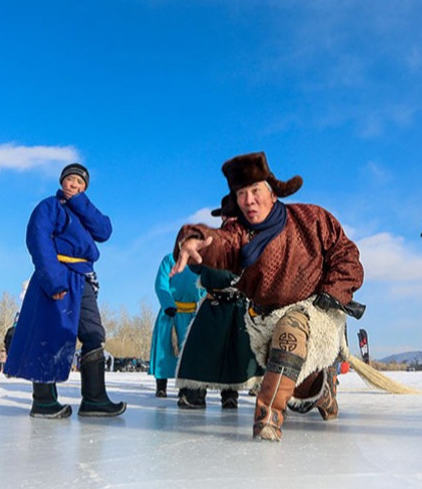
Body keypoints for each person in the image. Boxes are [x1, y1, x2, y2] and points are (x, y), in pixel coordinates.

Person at [172, 151, 364, 441]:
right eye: (241, 194)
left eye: (255, 191)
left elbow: (345, 253)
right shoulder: (240, 234)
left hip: (319, 308)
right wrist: (196, 239)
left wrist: (334, 292)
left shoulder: (312, 218)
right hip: (265, 319)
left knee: (291, 330)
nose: (248, 200)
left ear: (272, 192)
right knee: (301, 387)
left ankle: (267, 419)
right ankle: (322, 393)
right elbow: (221, 244)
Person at [5, 163, 126, 419]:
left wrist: (81, 203)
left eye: (80, 182)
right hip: (57, 275)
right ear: (62, 182)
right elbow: (38, 240)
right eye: (70, 180)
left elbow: (105, 231)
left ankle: (94, 399)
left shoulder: (84, 212)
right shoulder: (49, 207)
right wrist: (53, 280)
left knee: (94, 333)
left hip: (83, 278)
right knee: (49, 333)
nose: (74, 185)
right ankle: (43, 401)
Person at [174, 198, 265, 410]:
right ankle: (194, 394)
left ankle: (230, 396)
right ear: (222, 217)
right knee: (200, 349)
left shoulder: (251, 240)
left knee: (237, 351)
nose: (231, 218)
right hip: (214, 304)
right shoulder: (211, 240)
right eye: (228, 214)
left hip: (240, 306)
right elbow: (195, 265)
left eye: (236, 214)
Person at [148, 251, 206, 401]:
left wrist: (204, 306)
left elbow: (205, 286)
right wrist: (167, 303)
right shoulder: (169, 259)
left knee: (188, 354)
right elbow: (161, 282)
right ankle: (161, 386)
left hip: (192, 315)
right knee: (165, 351)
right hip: (170, 314)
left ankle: (185, 388)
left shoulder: (200, 263)